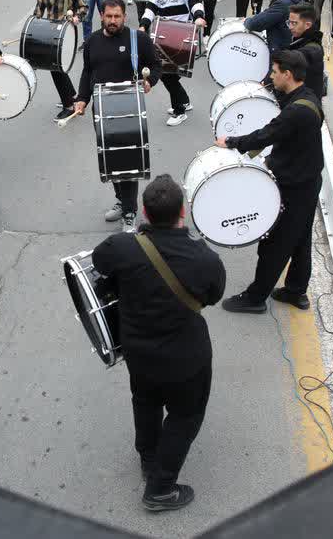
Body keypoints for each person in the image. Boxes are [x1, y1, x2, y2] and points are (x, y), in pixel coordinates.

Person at [90, 174, 225, 512]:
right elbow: (213, 296)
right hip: (186, 359)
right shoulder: (205, 259)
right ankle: (161, 489)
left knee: (145, 401)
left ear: (146, 215)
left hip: (138, 351)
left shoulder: (121, 247)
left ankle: (149, 459)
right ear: (183, 212)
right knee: (184, 416)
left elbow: (98, 262)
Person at [216, 50, 323, 313]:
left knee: (276, 243)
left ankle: (255, 298)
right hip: (308, 181)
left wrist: (231, 142)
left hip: (294, 186)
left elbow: (267, 134)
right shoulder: (307, 97)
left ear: (288, 74)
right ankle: (296, 291)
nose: (271, 77)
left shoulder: (296, 111)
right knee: (300, 239)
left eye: (275, 72)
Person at [74, 0, 162, 233]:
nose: (113, 21)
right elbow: (87, 72)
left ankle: (130, 212)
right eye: (109, 16)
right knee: (110, 159)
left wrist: (149, 80)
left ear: (124, 16)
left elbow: (156, 65)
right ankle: (123, 201)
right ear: (101, 15)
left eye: (117, 16)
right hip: (101, 111)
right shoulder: (92, 41)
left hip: (129, 109)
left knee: (129, 161)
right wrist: (82, 98)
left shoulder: (138, 40)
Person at [138, 0, 204, 126]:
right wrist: (143, 25)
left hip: (184, 39)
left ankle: (179, 111)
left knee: (168, 76)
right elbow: (149, 12)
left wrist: (198, 16)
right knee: (170, 75)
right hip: (165, 40)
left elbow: (196, 4)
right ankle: (184, 102)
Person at [32, 0, 84, 119]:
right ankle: (72, 97)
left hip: (67, 33)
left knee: (56, 68)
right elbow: (39, 10)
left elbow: (83, 7)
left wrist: (77, 17)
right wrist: (35, 23)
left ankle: (69, 106)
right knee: (57, 67)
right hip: (50, 32)